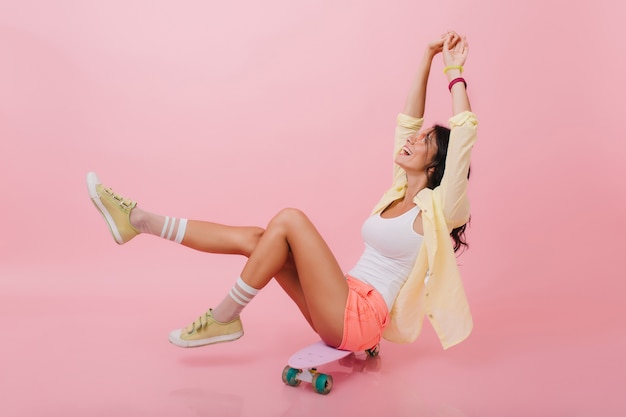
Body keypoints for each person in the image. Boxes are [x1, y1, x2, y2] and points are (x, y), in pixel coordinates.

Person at [86, 31, 477, 353]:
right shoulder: (396, 191)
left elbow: (462, 142)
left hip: (360, 316)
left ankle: (224, 316)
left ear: (434, 166)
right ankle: (141, 221)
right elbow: (407, 120)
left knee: (290, 219)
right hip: (340, 298)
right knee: (261, 239)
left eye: (423, 142)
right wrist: (426, 60)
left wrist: (454, 70)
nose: (412, 139)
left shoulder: (439, 210)